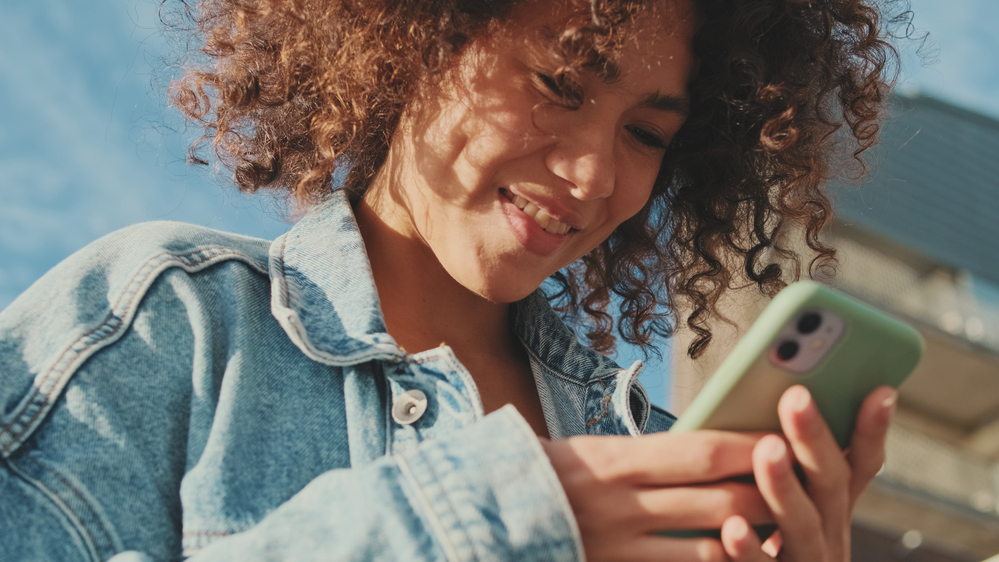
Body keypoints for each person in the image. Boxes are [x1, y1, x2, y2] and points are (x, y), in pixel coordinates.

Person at [0, 0, 901, 560]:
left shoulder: (659, 459)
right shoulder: (167, 325)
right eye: (559, 82)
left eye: (646, 136)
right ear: (420, 35)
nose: (592, 176)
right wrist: (486, 526)